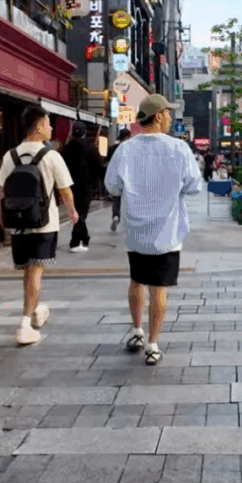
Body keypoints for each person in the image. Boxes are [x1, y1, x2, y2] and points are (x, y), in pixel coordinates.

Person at [104, 94, 203, 366]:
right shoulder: (178, 149)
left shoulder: (125, 149)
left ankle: (137, 331)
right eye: (167, 113)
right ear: (158, 116)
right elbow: (194, 186)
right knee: (159, 288)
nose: (170, 118)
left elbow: (112, 186)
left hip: (135, 229)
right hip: (167, 231)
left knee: (137, 280)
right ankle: (153, 343)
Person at [0, 104, 79, 346]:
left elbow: (1, 192)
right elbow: (65, 190)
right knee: (36, 271)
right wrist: (72, 212)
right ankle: (24, 324)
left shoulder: (10, 156)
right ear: (40, 126)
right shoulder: (51, 156)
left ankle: (35, 310)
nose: (51, 127)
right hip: (44, 223)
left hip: (17, 223)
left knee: (29, 272)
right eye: (49, 123)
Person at [61, 121, 104, 252]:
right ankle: (75, 241)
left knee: (76, 212)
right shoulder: (91, 148)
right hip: (87, 186)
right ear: (85, 133)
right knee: (82, 213)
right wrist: (101, 183)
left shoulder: (66, 149)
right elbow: (99, 167)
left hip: (70, 185)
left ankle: (84, 237)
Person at [107, 128, 132, 232]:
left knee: (116, 199)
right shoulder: (131, 149)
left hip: (116, 177)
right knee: (129, 200)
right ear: (127, 137)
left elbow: (108, 163)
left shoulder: (113, 148)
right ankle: (129, 222)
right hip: (128, 177)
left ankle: (116, 216)